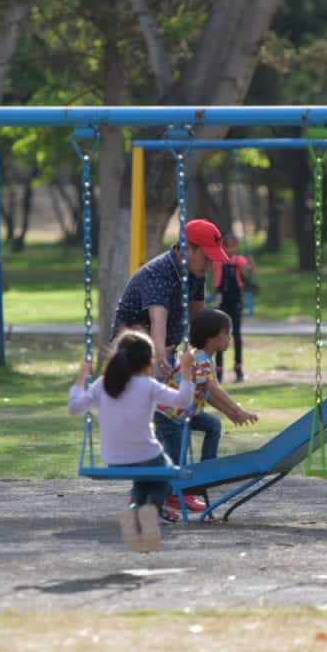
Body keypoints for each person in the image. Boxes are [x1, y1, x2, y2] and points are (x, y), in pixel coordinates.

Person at [70, 331, 195, 553]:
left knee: (144, 478)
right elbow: (183, 401)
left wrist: (81, 377)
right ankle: (151, 512)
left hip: (114, 459)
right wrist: (186, 373)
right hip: (147, 455)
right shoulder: (148, 385)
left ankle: (134, 508)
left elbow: (75, 407)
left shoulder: (102, 384)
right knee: (163, 474)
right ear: (149, 362)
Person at [154, 309, 259, 515]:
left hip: (184, 414)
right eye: (227, 334)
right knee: (176, 457)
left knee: (213, 424)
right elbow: (214, 390)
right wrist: (239, 410)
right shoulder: (199, 357)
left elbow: (208, 395)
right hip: (170, 416)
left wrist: (230, 414)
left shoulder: (204, 358)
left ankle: (206, 471)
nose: (229, 338)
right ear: (214, 336)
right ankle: (174, 496)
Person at [113, 218, 226, 367]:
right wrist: (159, 356)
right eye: (206, 258)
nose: (209, 265)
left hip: (167, 351)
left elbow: (197, 320)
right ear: (187, 248)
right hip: (131, 355)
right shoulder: (159, 273)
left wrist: (204, 354)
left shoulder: (196, 273)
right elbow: (157, 320)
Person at [211, 233, 254, 382]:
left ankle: (238, 367)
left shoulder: (239, 260)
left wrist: (250, 265)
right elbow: (216, 281)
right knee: (219, 334)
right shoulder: (218, 261)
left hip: (235, 300)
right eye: (227, 246)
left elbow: (250, 271)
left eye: (233, 246)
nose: (230, 249)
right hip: (223, 301)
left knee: (236, 334)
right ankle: (219, 369)